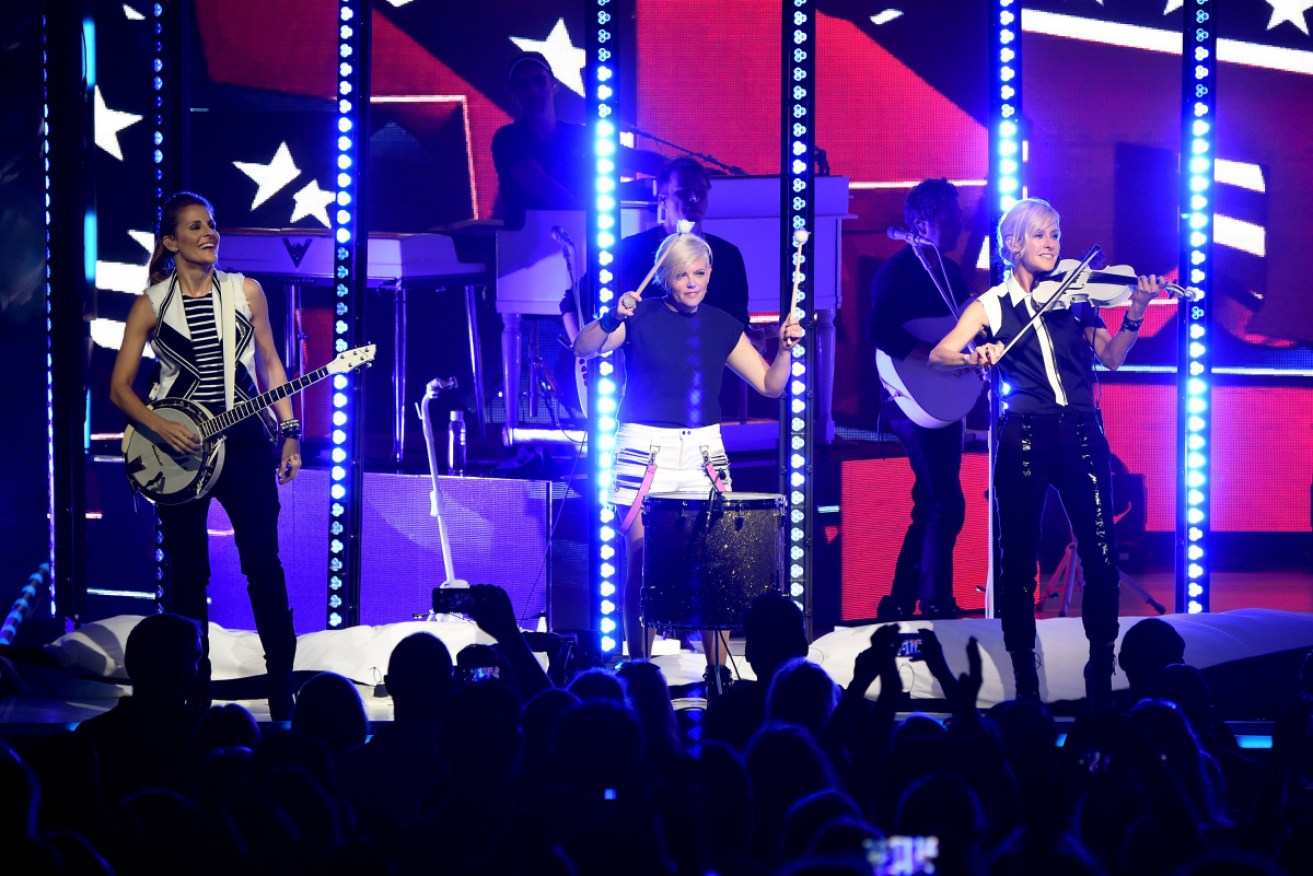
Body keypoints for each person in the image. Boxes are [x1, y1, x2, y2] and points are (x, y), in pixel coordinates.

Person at [930, 197, 1162, 709]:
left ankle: (1100, 663)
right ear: (1014, 244)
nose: (1053, 243)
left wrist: (1137, 312)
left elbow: (1113, 359)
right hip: (1025, 438)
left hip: (1082, 434)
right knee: (1018, 565)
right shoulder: (993, 303)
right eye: (1040, 235)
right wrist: (976, 354)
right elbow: (939, 352)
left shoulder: (1077, 299)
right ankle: (1024, 676)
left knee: (1102, 559)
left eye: (1056, 233)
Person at [572, 232, 802, 681]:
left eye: (699, 274)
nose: (692, 283)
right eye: (682, 275)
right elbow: (584, 346)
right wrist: (609, 317)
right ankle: (639, 668)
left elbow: (771, 386)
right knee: (642, 558)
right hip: (644, 449)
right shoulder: (639, 317)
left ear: (710, 275)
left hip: (703, 453)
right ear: (665, 277)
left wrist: (787, 349)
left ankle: (717, 672)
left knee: (715, 559)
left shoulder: (721, 323)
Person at [109, 191, 301, 720]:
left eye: (212, 224)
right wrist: (159, 427)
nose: (208, 233)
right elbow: (121, 389)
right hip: (179, 450)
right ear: (171, 241)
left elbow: (270, 363)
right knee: (188, 572)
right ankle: (189, 690)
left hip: (242, 442)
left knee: (263, 562)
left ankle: (282, 682)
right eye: (195, 227)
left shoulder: (248, 291)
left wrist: (289, 431)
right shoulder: (151, 303)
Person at [868, 178, 973, 620]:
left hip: (944, 400)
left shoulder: (950, 273)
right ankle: (935, 604)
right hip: (911, 401)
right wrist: (931, 358)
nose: (960, 223)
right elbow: (881, 332)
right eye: (951, 216)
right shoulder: (897, 272)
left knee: (931, 500)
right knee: (946, 500)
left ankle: (898, 600)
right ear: (920, 222)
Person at [492, 50, 662, 227]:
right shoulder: (507, 139)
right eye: (523, 85)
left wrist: (675, 169)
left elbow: (629, 157)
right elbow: (545, 189)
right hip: (526, 248)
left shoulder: (577, 135)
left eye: (539, 81)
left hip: (581, 240)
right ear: (513, 94)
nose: (533, 91)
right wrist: (592, 215)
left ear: (554, 85)